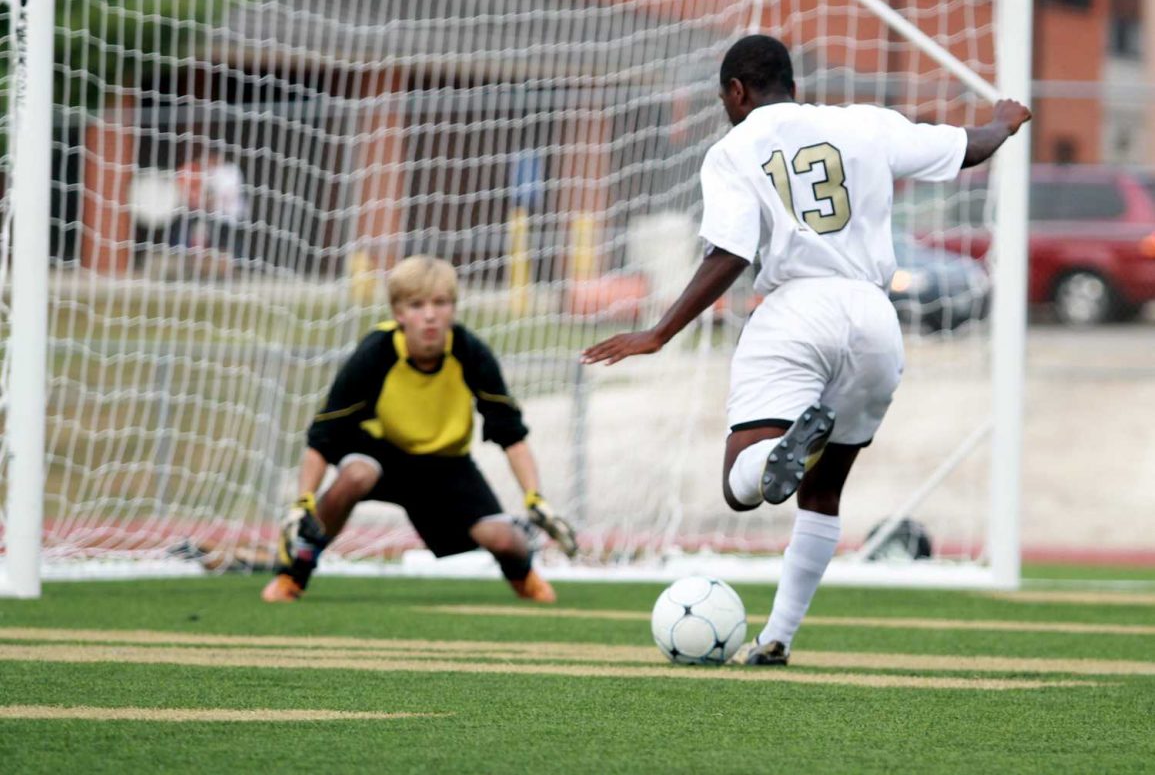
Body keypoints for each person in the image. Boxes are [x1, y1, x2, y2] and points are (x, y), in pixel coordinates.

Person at [581, 35, 1030, 665]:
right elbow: (970, 148)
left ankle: (772, 455)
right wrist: (1004, 122)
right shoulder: (865, 125)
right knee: (822, 493)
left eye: (723, 99)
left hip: (796, 311)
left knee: (742, 483)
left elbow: (731, 252)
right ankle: (778, 637)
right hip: (875, 317)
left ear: (736, 92)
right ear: (790, 82)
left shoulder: (735, 147)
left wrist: (659, 333)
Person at [262, 254, 577, 604]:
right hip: (382, 454)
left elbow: (511, 435)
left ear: (453, 309)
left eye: (440, 303)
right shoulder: (375, 353)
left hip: (445, 465)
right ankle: (294, 574)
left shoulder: (471, 353)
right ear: (398, 313)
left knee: (504, 540)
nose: (429, 315)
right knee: (355, 475)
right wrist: (303, 500)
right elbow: (323, 436)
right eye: (416, 305)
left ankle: (524, 576)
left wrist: (534, 497)